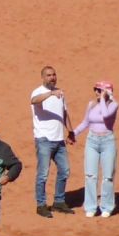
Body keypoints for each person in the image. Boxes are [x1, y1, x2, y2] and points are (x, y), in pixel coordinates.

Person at [31, 64, 75, 217]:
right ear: (43, 77)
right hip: (44, 139)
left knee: (65, 171)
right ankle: (41, 204)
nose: (52, 77)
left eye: (54, 75)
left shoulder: (60, 93)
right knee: (43, 174)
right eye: (49, 75)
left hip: (59, 139)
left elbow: (64, 113)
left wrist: (70, 131)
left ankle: (59, 202)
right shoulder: (39, 92)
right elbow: (34, 101)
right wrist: (50, 94)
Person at [72, 81, 119, 218]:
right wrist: (73, 133)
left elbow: (105, 116)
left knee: (108, 176)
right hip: (92, 141)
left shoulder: (114, 105)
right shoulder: (91, 104)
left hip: (108, 142)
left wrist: (106, 98)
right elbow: (85, 122)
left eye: (99, 90)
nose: (96, 93)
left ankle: (107, 206)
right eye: (96, 90)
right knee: (90, 175)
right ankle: (91, 207)